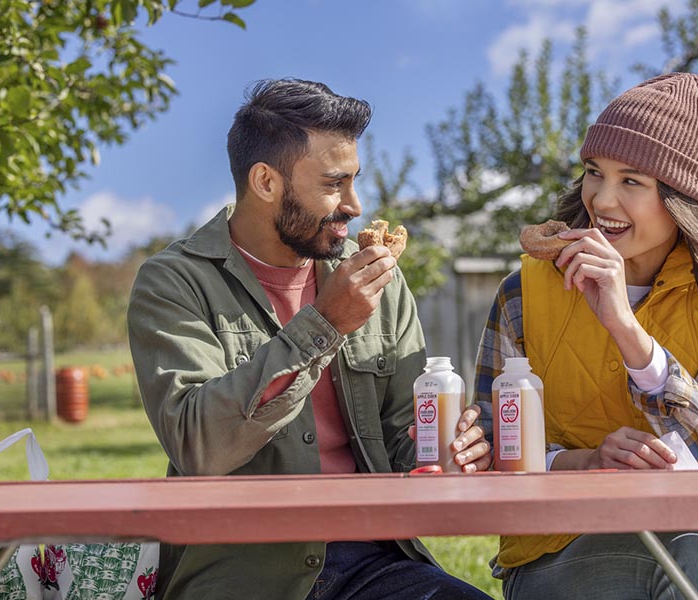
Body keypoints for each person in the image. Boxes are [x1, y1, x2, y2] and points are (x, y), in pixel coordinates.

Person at [127, 78, 492, 600]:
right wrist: (326, 324)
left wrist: (446, 453)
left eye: (355, 181)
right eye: (333, 183)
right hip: (241, 572)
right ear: (265, 181)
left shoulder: (376, 281)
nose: (355, 204)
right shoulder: (174, 282)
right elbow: (199, 445)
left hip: (375, 562)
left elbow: (404, 442)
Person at [473, 73, 698, 599]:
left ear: (679, 198)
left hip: (694, 541)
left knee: (686, 557)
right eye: (594, 173)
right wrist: (584, 463)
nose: (601, 199)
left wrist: (627, 329)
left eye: (632, 181)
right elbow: (492, 446)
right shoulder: (522, 294)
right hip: (554, 548)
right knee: (678, 569)